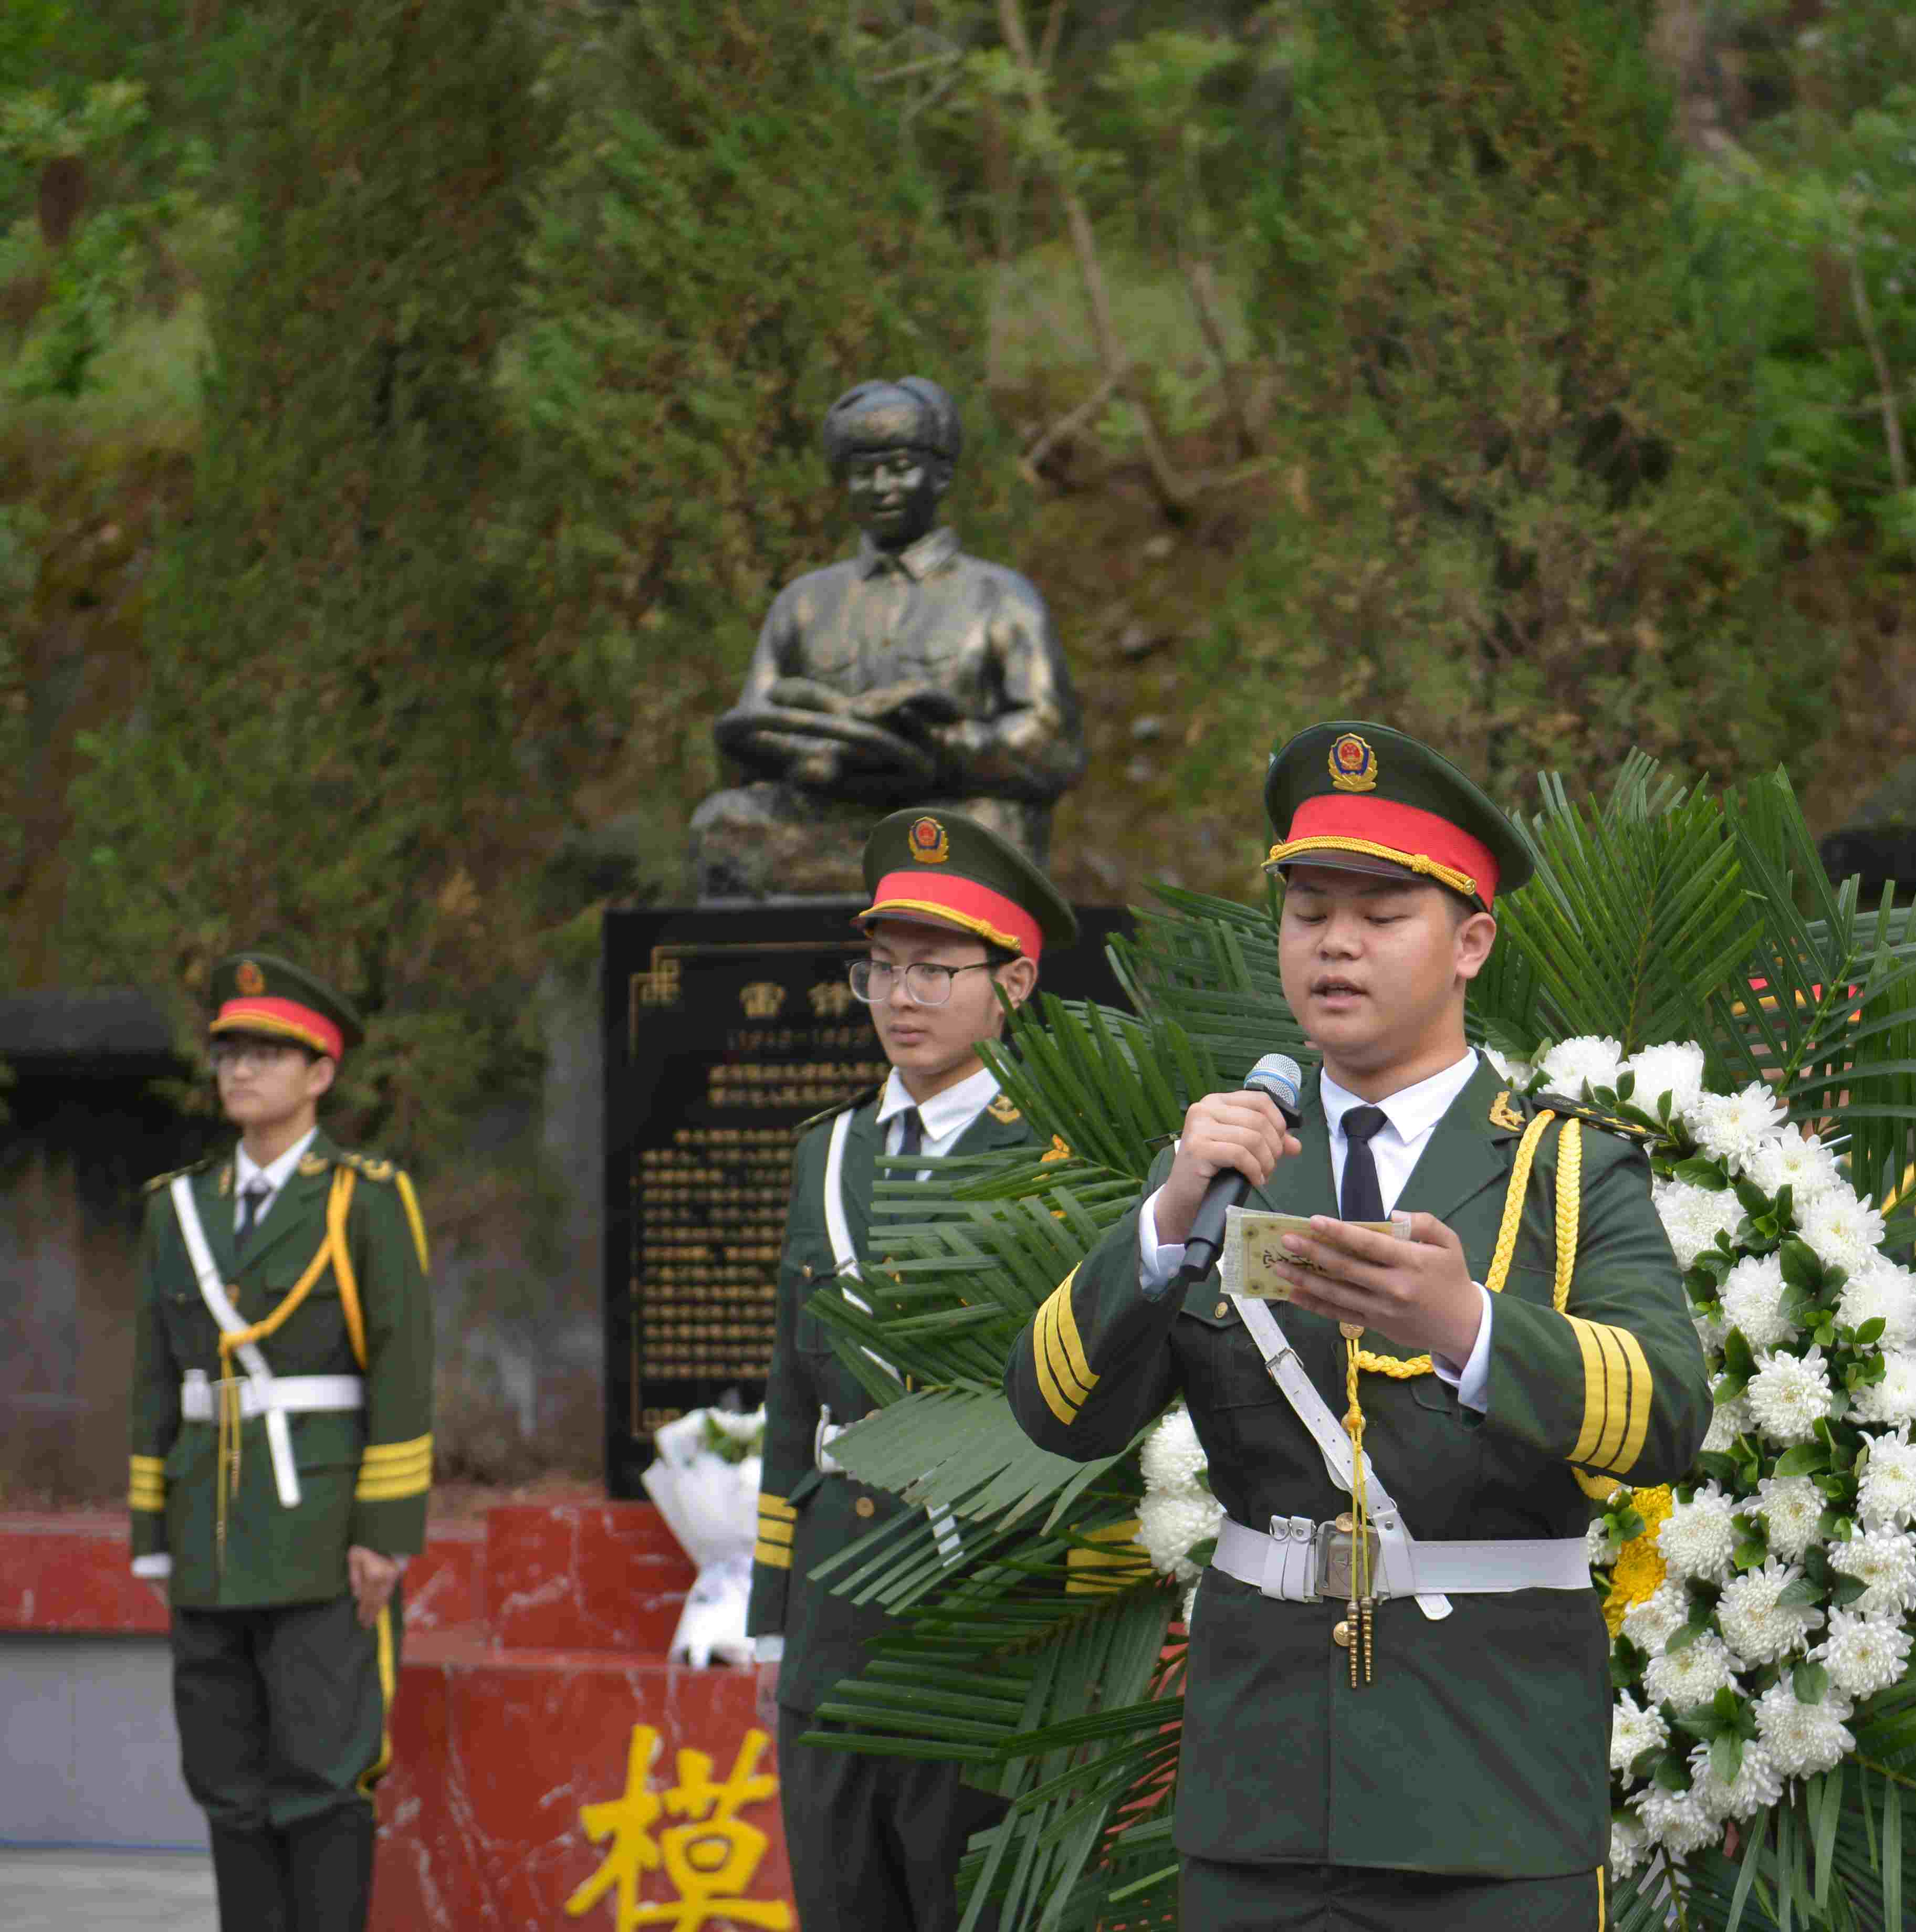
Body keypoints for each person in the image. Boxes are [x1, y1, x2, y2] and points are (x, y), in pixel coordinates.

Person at [1004, 720, 1712, 1929]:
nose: (1334, 940)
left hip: (1487, 1790)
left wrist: (1467, 1323)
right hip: (1264, 1792)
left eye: (1382, 911)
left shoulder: (1562, 1165)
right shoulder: (1226, 1163)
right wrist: (1165, 1214)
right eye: (1307, 907)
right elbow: (1055, 1410)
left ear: (1469, 941)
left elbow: (1665, 1411)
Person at [750, 805, 1078, 1932]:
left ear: (1016, 980)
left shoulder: (1058, 1162)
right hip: (836, 1613)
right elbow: (796, 1401)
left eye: (937, 970)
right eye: (882, 968)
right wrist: (769, 1610)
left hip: (981, 1613)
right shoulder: (826, 1153)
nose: (902, 997)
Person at [128, 953, 433, 1932]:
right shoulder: (177, 1209)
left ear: (322, 1073)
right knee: (226, 1779)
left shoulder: (363, 1198)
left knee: (323, 1780)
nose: (240, 1072)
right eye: (229, 1053)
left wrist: (384, 1532)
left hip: (319, 1536)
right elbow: (155, 1378)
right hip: (210, 1542)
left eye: (267, 1053)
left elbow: (401, 1366)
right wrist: (154, 1531)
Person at [693, 373, 1086, 891]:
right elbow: (756, 723)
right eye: (863, 473)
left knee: (993, 832)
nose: (880, 489)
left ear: (940, 476)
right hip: (825, 821)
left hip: (948, 819)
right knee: (723, 825)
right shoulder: (804, 602)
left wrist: (941, 745)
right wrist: (816, 754)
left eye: (899, 470)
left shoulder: (1001, 597)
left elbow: (1050, 740)